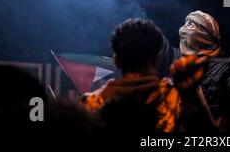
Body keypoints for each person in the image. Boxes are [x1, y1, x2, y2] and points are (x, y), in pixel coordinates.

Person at [81, 18, 216, 132]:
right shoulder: (176, 98)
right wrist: (191, 92)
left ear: (116, 61)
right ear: (157, 59)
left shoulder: (91, 104)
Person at [178, 10, 230, 131]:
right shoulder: (179, 66)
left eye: (191, 24)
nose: (184, 29)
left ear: (204, 34)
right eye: (186, 23)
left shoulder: (225, 67)